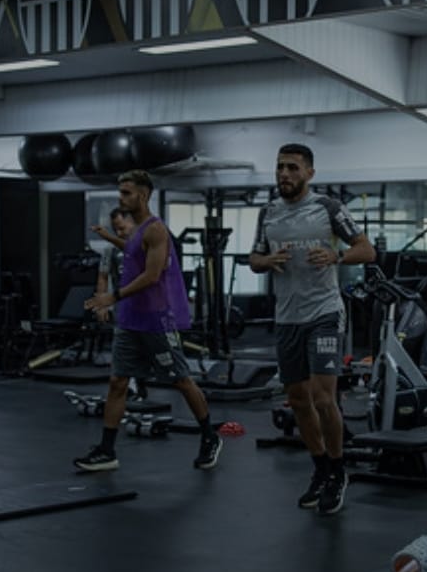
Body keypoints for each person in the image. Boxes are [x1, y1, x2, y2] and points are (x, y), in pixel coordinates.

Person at [249, 143, 376, 515]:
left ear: (309, 173)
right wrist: (265, 260)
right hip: (287, 317)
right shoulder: (268, 212)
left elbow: (367, 250)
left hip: (324, 311)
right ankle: (320, 467)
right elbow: (254, 258)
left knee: (323, 397)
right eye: (279, 168)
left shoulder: (329, 208)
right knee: (299, 400)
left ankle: (338, 471)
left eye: (292, 167)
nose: (284, 174)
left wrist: (337, 255)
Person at [74, 169, 221, 472]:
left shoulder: (156, 230)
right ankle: (107, 450)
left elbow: (152, 275)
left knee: (180, 380)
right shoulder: (136, 230)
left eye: (126, 193)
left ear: (143, 195)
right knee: (118, 382)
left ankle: (209, 436)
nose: (121, 198)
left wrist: (112, 297)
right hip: (130, 320)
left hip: (156, 320)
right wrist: (110, 238)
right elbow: (132, 250)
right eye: (120, 192)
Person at [92, 208, 148, 400]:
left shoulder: (146, 245)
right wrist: (101, 304)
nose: (120, 233)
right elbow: (103, 276)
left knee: (147, 348)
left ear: (133, 223)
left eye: (123, 228)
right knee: (124, 348)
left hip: (148, 307)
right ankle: (131, 387)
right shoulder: (110, 250)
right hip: (123, 307)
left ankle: (140, 384)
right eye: (116, 230)